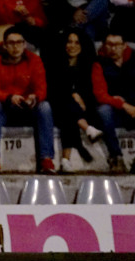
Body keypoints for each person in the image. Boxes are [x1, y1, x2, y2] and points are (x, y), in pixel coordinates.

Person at [0, 26, 55, 174]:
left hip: (27, 106)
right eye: (11, 43)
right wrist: (9, 97)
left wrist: (35, 97)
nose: (15, 47)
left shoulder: (34, 59)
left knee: (45, 107)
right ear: (4, 45)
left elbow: (41, 88)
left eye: (19, 42)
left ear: (24, 44)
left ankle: (46, 159)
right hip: (5, 106)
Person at [46, 28, 102, 173]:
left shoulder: (88, 66)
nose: (72, 46)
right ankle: (86, 128)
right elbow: (53, 91)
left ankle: (66, 161)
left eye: (77, 42)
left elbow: (91, 92)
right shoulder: (54, 65)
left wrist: (78, 96)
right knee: (66, 106)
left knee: (69, 114)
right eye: (69, 42)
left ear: (82, 45)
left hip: (81, 108)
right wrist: (73, 95)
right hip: (56, 106)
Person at [92, 29, 135, 174]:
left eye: (117, 44)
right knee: (103, 110)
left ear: (124, 45)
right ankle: (116, 157)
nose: (113, 48)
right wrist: (123, 105)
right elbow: (100, 95)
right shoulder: (98, 63)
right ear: (104, 45)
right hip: (113, 112)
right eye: (110, 44)